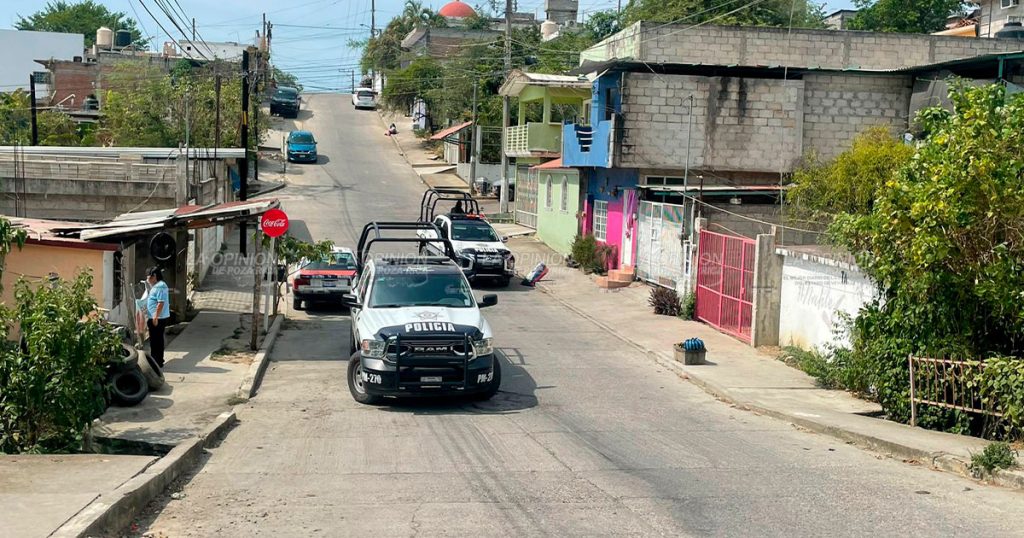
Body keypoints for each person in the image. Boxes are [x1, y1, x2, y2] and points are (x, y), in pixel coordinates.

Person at [146, 267, 171, 367]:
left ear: (154, 276)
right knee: (155, 340)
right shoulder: (157, 286)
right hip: (155, 317)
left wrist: (155, 317)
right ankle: (156, 360)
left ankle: (157, 361)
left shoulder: (160, 286)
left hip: (158, 318)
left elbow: (160, 303)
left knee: (156, 341)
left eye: (148, 278)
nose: (148, 280)